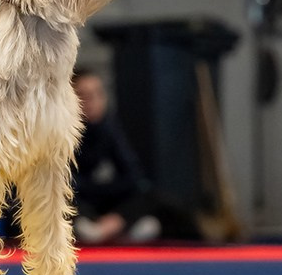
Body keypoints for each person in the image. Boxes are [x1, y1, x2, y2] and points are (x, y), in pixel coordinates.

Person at [71, 69, 201, 245]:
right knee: (62, 199)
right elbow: (68, 183)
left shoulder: (110, 129)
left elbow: (133, 176)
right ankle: (99, 229)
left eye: (97, 94)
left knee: (152, 196)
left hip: (109, 203)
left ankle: (109, 230)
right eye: (84, 95)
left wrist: (117, 216)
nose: (91, 102)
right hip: (82, 203)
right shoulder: (62, 134)